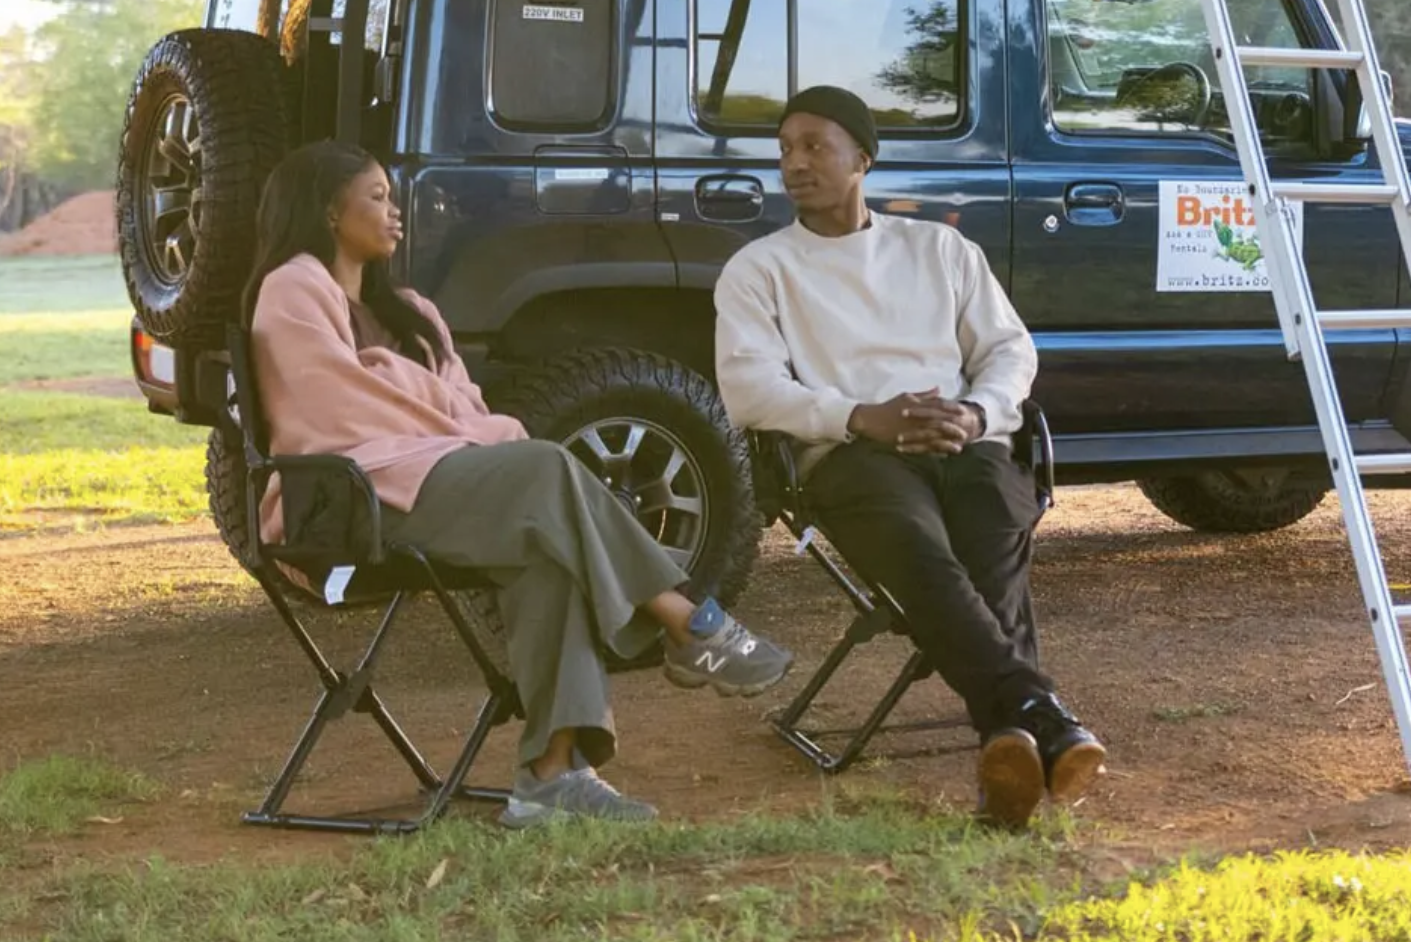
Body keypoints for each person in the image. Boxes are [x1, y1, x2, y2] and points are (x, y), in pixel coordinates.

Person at [245, 140, 793, 827]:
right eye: (377, 197)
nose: (395, 211)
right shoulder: (292, 287)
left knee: (547, 557)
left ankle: (552, 776)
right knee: (545, 465)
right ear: (329, 211)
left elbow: (466, 411)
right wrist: (423, 397)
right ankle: (689, 621)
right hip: (351, 501)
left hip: (435, 481)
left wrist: (401, 376)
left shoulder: (413, 311)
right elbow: (334, 408)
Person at [714, 85, 1105, 827]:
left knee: (990, 542)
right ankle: (1041, 717)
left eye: (814, 147)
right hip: (851, 455)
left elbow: (1008, 351)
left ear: (862, 158)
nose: (794, 163)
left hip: (965, 442)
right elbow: (750, 390)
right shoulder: (760, 269)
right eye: (785, 150)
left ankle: (1011, 733)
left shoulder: (939, 248)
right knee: (923, 554)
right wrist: (865, 417)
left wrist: (975, 412)